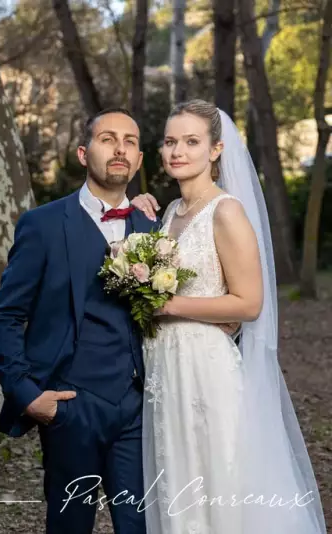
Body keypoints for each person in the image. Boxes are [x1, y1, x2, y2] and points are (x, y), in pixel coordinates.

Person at [129, 99, 326, 533]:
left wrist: (169, 306)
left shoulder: (227, 211)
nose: (177, 151)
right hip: (167, 372)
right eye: (170, 141)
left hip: (207, 372)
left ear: (216, 150)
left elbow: (248, 302)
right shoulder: (169, 214)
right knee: (179, 484)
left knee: (218, 484)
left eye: (191, 141)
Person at [0, 108, 159, 533]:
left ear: (138, 161)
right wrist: (27, 394)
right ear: (84, 153)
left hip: (138, 409)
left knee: (141, 525)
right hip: (69, 406)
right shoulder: (42, 225)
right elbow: (7, 315)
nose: (120, 148)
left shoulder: (154, 231)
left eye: (130, 141)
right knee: (70, 525)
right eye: (107, 139)